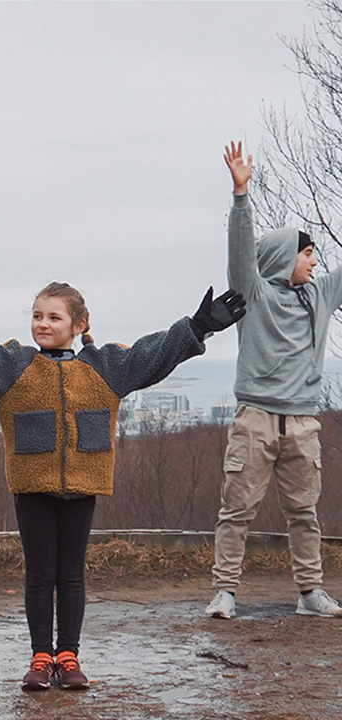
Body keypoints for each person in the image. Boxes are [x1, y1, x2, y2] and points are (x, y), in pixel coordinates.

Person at [0, 281, 245, 691]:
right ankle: (41, 657)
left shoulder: (105, 367)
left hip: (83, 484)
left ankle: (69, 656)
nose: (42, 324)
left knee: (72, 575)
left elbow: (153, 354)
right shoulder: (13, 365)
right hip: (32, 487)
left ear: (80, 324)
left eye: (53, 317)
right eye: (37, 316)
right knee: (40, 574)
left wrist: (199, 326)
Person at [206, 141, 342, 620]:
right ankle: (225, 592)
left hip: (303, 423)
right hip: (256, 419)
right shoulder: (254, 295)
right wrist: (241, 195)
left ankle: (310, 594)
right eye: (307, 252)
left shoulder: (320, 297)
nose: (313, 261)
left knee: (304, 514)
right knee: (237, 510)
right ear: (285, 255)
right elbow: (242, 256)